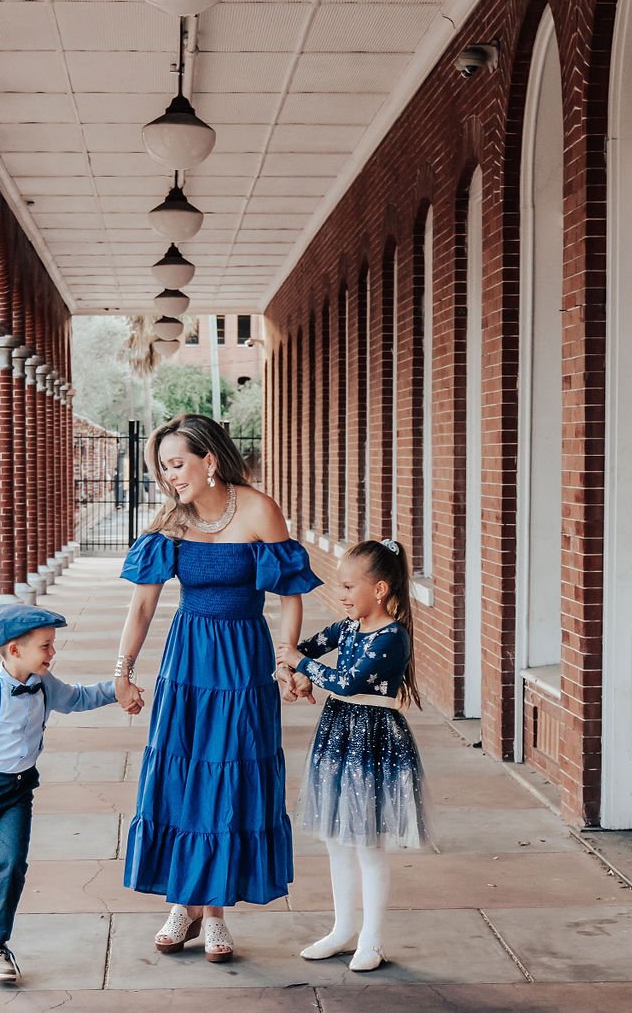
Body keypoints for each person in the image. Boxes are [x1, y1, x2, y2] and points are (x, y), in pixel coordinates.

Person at [115, 413, 321, 964]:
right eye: (162, 467)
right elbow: (142, 604)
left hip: (244, 662)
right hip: (188, 662)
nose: (169, 476)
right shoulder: (170, 522)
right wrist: (123, 670)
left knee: (230, 777)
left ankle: (215, 913)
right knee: (183, 776)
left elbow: (290, 593)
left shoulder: (258, 509)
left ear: (209, 459)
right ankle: (184, 903)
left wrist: (286, 658)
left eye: (177, 463)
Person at [0, 604, 133, 983]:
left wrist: (116, 690)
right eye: (45, 646)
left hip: (18, 790)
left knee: (11, 865)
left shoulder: (44, 684)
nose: (52, 654)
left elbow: (76, 698)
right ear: (15, 650)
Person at [276, 538, 426, 973]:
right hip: (338, 737)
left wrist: (301, 667)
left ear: (378, 589)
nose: (340, 596)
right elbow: (306, 650)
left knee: (369, 844)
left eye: (347, 587)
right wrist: (293, 672)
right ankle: (343, 930)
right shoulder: (346, 628)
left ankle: (372, 940)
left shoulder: (391, 637)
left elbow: (345, 682)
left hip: (374, 740)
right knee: (338, 840)